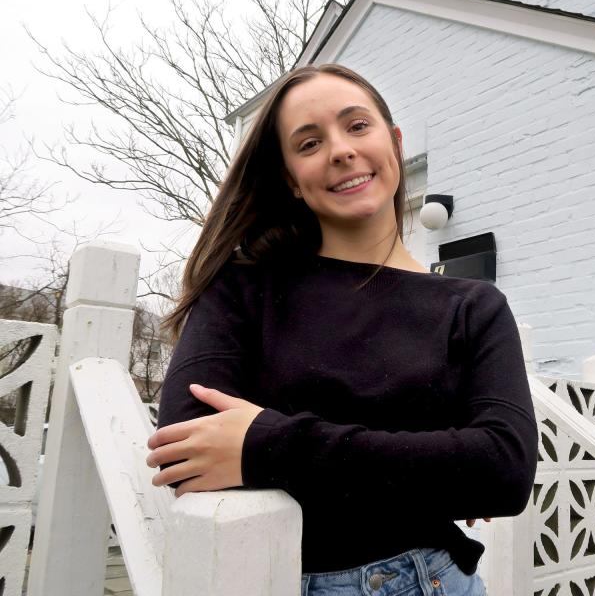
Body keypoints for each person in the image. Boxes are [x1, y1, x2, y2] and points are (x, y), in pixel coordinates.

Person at [145, 63, 538, 596]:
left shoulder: (473, 306)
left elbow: (502, 471)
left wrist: (266, 444)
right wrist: (429, 470)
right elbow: (188, 447)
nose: (340, 150)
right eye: (308, 143)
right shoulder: (245, 288)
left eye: (357, 126)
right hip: (273, 579)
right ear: (290, 178)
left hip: (434, 580)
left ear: (395, 143)